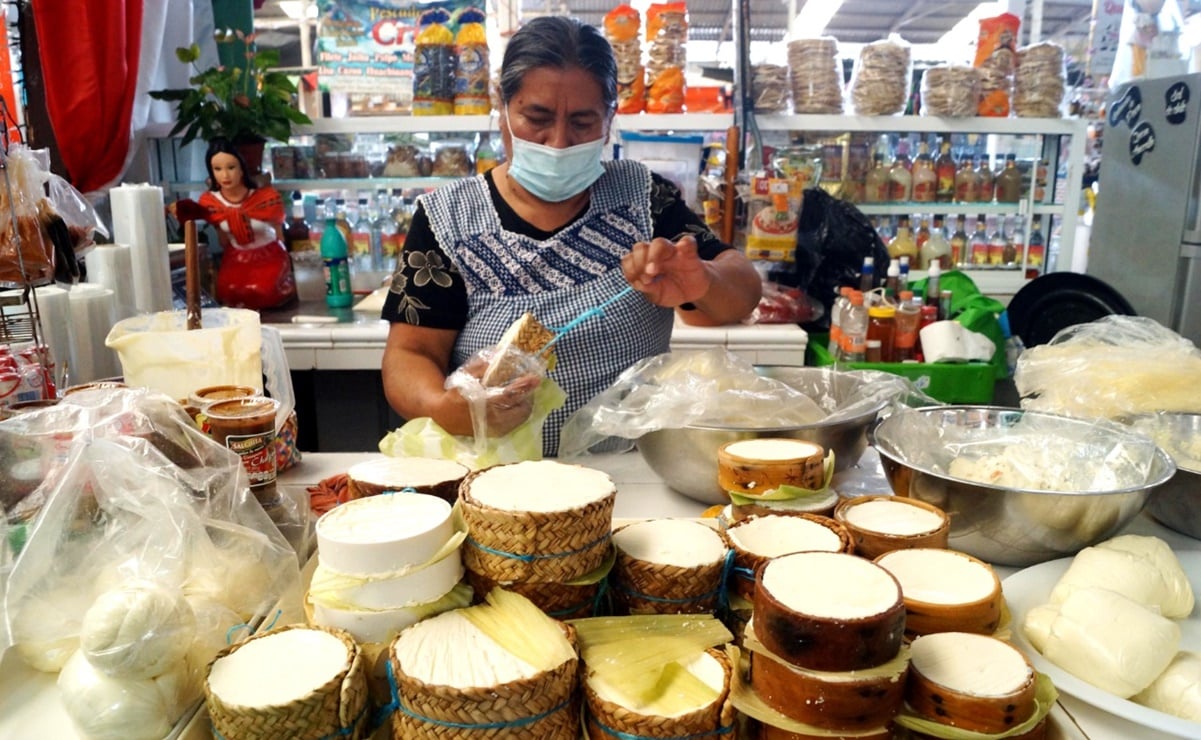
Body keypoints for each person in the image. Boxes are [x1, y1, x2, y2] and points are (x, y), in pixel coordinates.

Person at [380, 16, 762, 456]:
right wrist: (448, 408)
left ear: (608, 118)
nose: (559, 143)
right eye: (536, 118)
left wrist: (704, 282)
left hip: (634, 472)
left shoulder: (643, 197)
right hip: (500, 481)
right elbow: (409, 356)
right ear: (502, 109)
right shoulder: (447, 220)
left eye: (582, 122)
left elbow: (743, 289)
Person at [195, 138, 296, 310]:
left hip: (269, 255)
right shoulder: (211, 204)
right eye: (218, 169)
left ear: (242, 168)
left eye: (231, 167)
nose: (225, 176)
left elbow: (280, 235)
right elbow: (222, 239)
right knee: (230, 291)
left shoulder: (266, 199)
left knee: (261, 290)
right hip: (237, 257)